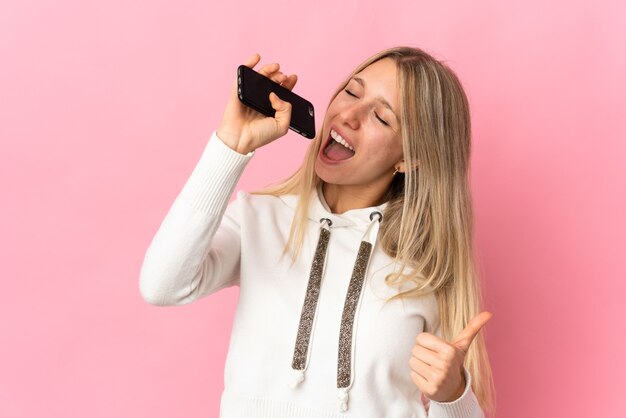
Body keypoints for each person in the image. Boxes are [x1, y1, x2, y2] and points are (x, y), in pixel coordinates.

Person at [140, 46, 495, 418]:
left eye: (381, 117)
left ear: (409, 157)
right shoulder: (259, 217)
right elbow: (161, 285)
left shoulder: (426, 264)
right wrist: (231, 145)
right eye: (352, 92)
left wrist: (453, 396)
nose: (350, 115)